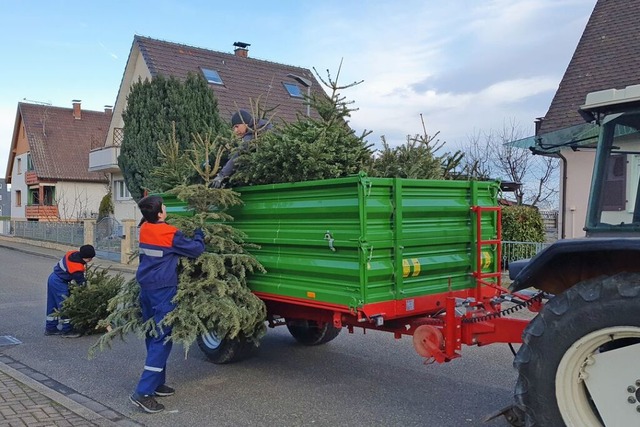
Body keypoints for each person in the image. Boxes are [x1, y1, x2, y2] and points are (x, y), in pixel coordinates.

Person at [129, 195, 205, 414]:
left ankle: (156, 384)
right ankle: (143, 392)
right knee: (162, 337)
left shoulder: (144, 229)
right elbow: (196, 250)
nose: (166, 207)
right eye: (164, 205)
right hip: (163, 289)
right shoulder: (169, 233)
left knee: (152, 333)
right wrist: (199, 233)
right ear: (161, 213)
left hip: (146, 288)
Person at [211, 109, 272, 188]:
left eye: (237, 126)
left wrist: (222, 175)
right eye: (233, 128)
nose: (235, 131)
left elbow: (239, 155)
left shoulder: (253, 135)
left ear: (245, 122)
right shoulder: (264, 127)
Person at [45, 244, 96, 338]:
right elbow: (80, 282)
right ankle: (67, 330)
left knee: (52, 305)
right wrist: (90, 291)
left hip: (53, 278)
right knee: (65, 305)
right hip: (59, 282)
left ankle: (50, 328)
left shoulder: (72, 253)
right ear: (86, 257)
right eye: (90, 258)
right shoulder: (76, 267)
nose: (91, 260)